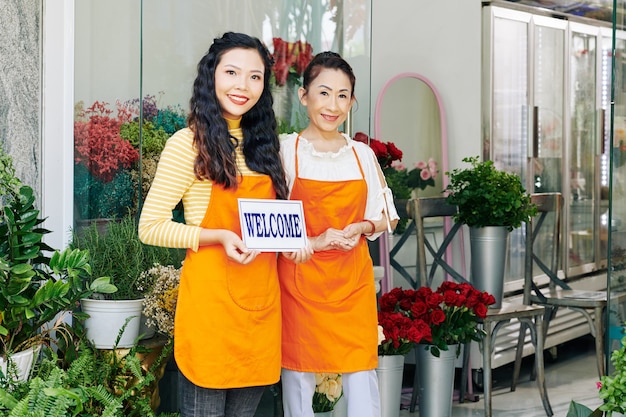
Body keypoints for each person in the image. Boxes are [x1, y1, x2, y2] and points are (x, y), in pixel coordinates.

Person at [138, 32, 290, 417]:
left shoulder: (268, 148)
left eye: (255, 77)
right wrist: (218, 236)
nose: (243, 86)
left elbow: (276, 225)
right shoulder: (187, 144)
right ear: (212, 76)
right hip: (210, 313)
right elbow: (150, 226)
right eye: (232, 72)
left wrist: (295, 241)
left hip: (259, 311)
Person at [278, 51, 400, 417]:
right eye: (324, 93)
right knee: (298, 374)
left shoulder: (361, 154)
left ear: (352, 101)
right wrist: (314, 241)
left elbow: (386, 215)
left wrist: (361, 227)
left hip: (351, 280)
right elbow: (271, 223)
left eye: (343, 95)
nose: (333, 105)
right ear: (304, 96)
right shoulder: (287, 151)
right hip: (300, 279)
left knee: (361, 372)